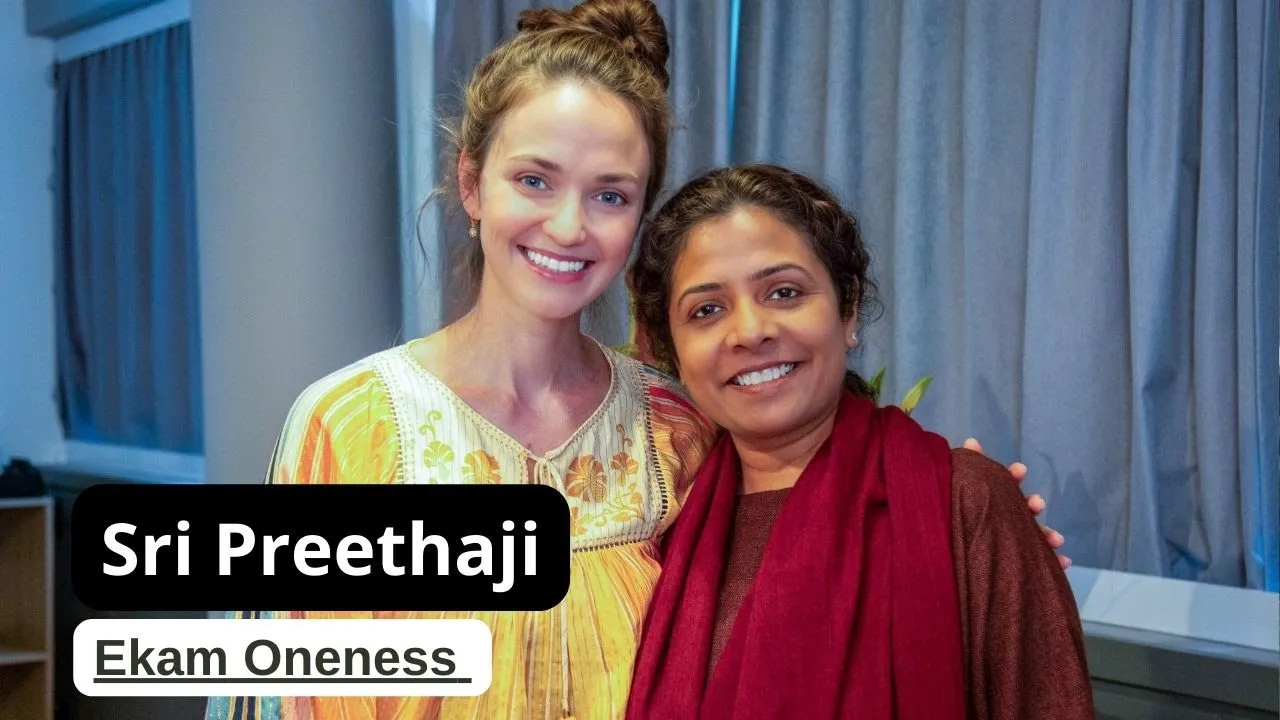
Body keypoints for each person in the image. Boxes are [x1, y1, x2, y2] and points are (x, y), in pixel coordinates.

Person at [207, 3, 1064, 719]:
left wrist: (961, 523)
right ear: (471, 184)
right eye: (534, 180)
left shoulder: (675, 429)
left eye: (610, 195)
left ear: (638, 218)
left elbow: (799, 557)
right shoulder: (350, 425)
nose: (568, 226)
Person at [625, 164, 1094, 719]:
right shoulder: (654, 521)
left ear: (846, 309)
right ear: (671, 350)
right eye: (707, 310)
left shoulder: (961, 502)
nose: (750, 331)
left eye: (783, 292)